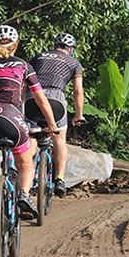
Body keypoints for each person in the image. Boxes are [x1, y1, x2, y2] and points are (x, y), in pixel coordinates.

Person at [0, 25, 59, 240]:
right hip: (12, 119)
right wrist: (51, 125)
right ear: (16, 45)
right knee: (25, 162)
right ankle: (24, 194)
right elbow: (41, 99)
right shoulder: (24, 66)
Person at [25, 32, 85, 197]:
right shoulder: (74, 62)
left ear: (54, 46)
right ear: (70, 49)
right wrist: (78, 114)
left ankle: (26, 179)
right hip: (55, 99)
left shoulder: (37, 57)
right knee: (59, 139)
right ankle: (59, 178)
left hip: (33, 99)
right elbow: (78, 91)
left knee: (31, 139)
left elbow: (25, 83)